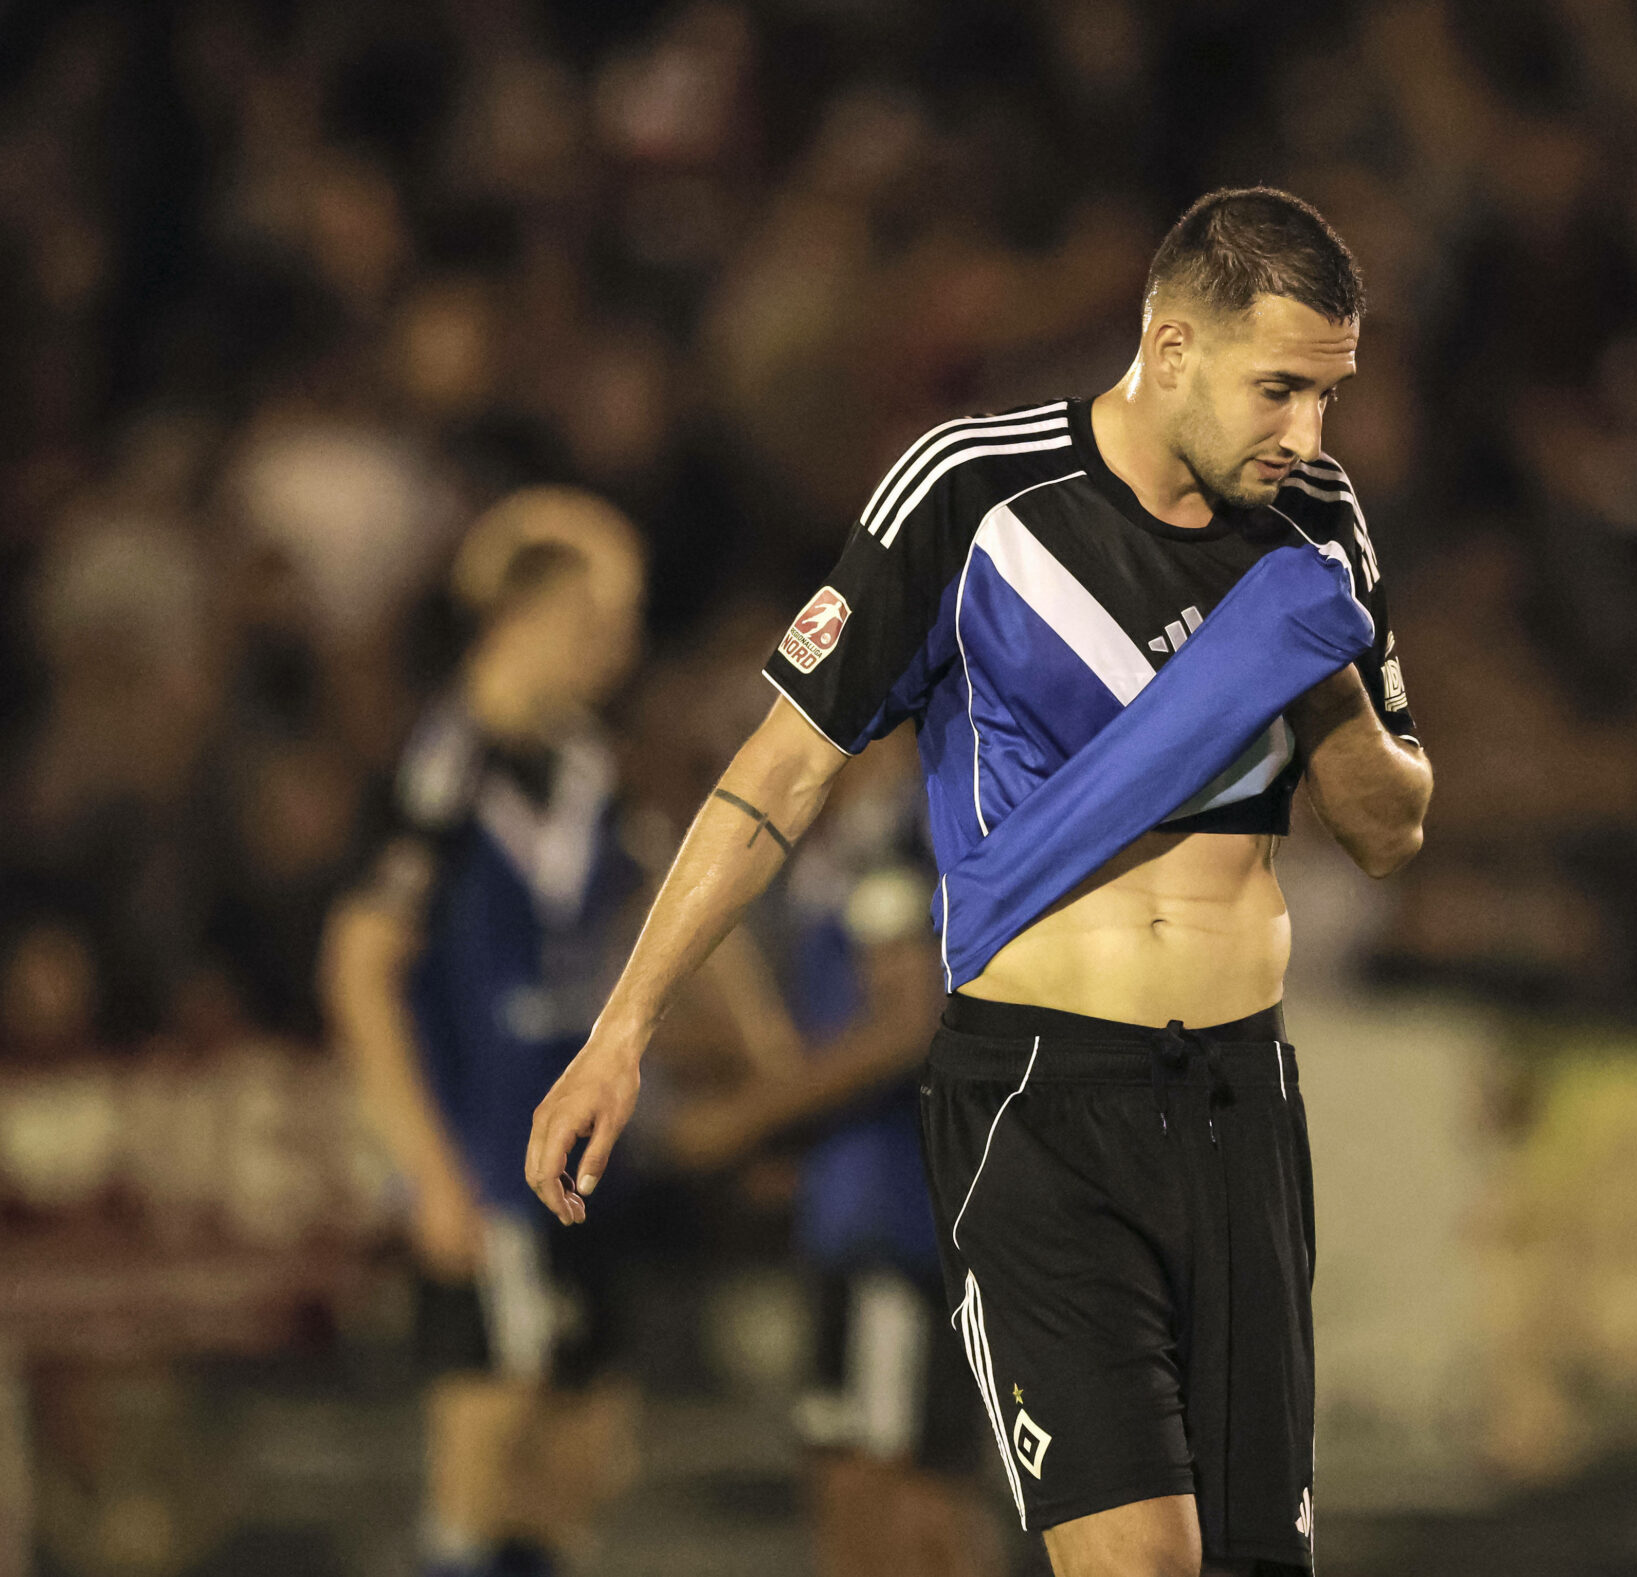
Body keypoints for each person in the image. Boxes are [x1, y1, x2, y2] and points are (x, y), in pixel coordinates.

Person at [525, 187, 1431, 1577]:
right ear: (1172, 347)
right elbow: (781, 770)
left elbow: (1388, 825)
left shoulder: (1314, 518)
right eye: (1279, 390)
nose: (1306, 433)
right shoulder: (970, 489)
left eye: (1328, 395)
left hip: (1242, 1099)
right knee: (1133, 1560)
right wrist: (622, 1029)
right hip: (1040, 1094)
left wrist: (1320, 670)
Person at [323, 489, 650, 1577]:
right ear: (533, 610)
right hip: (486, 1152)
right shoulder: (445, 763)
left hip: (582, 1157)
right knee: (487, 1451)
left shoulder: (589, 766)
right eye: (605, 615)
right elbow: (359, 966)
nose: (623, 644)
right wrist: (428, 1170)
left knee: (577, 1461)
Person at [663, 730, 1002, 1577]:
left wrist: (742, 1120)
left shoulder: (896, 834)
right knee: (862, 1487)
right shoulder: (843, 844)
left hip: (899, 1222)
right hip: (856, 1217)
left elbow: (907, 1023)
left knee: (899, 1499)